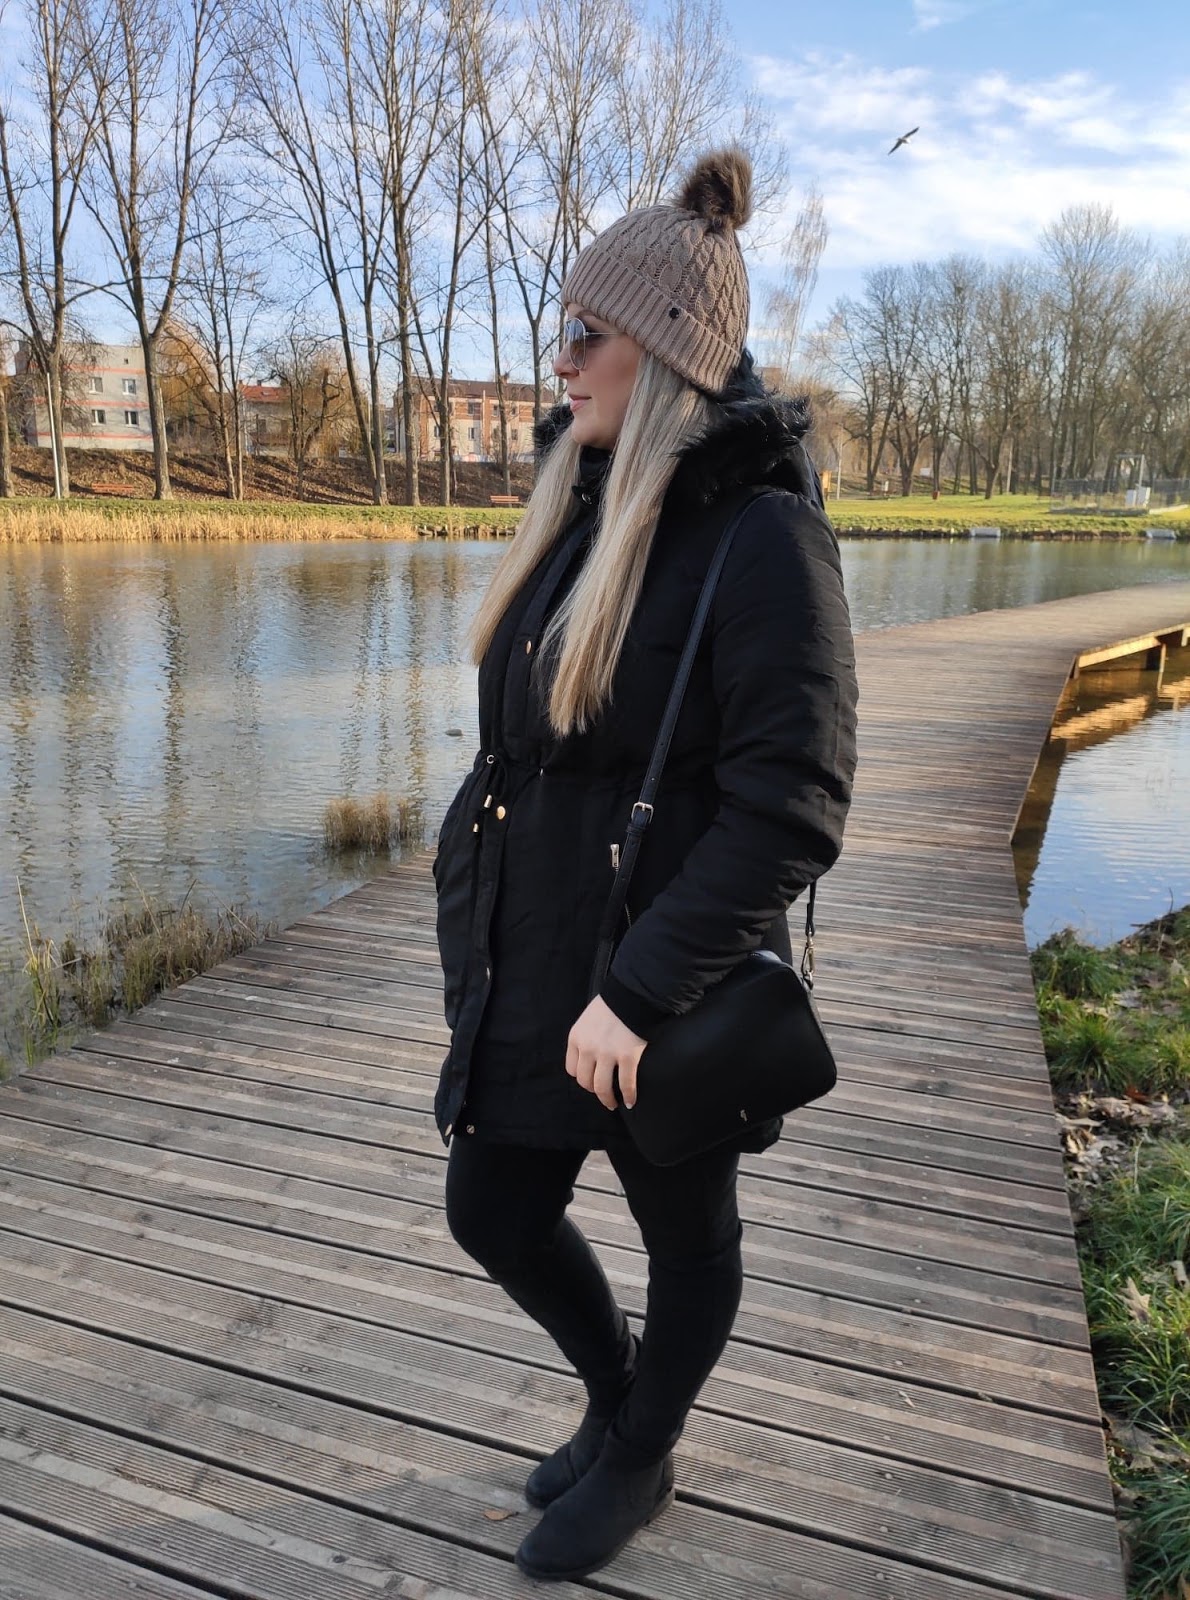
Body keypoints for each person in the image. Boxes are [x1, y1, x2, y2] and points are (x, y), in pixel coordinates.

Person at [431, 147, 859, 1582]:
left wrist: (636, 991)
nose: (557, 360)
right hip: (533, 949)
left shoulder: (764, 537)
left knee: (686, 1232)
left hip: (659, 972)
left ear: (664, 353)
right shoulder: (582, 497)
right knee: (492, 1207)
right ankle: (618, 1398)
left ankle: (641, 1449)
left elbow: (793, 805)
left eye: (583, 333)